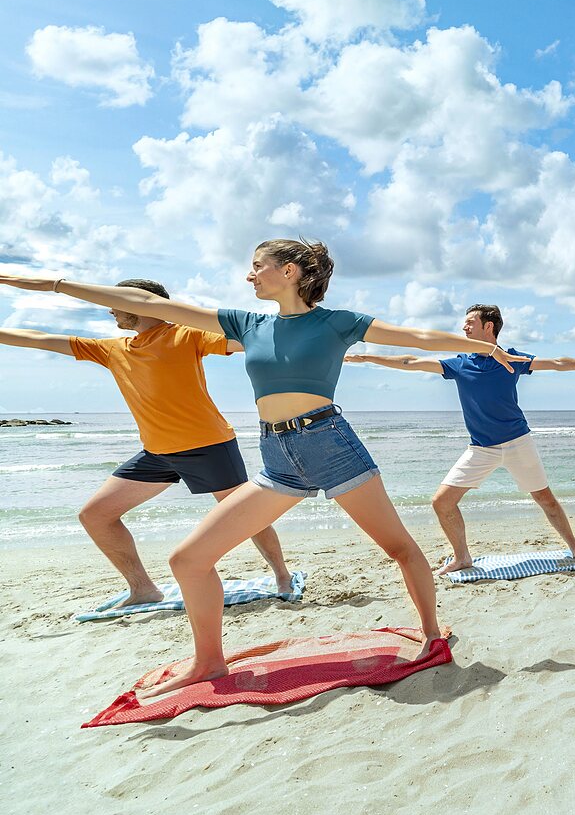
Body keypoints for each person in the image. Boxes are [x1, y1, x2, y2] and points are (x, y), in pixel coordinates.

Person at [0, 239, 527, 696]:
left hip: (329, 442)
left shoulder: (336, 323)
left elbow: (416, 337)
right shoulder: (245, 323)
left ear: (290, 271)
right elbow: (143, 301)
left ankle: (431, 634)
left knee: (398, 548)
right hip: (278, 456)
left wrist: (482, 347)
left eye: (258, 265)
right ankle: (209, 660)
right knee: (188, 560)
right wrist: (53, 284)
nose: (249, 275)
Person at [0, 279, 292, 604]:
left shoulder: (185, 334)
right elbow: (39, 339)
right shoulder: (114, 349)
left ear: (139, 302)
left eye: (114, 301)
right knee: (94, 515)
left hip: (208, 446)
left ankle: (282, 575)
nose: (109, 308)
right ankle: (142, 588)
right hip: (157, 453)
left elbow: (249, 339)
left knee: (245, 515)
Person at [345, 303, 575, 572]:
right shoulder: (460, 363)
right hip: (481, 449)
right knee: (442, 502)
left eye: (470, 322)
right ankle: (462, 557)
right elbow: (412, 362)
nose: (463, 327)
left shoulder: (511, 358)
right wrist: (368, 357)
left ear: (488, 327)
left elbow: (559, 363)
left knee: (545, 499)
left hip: (518, 442)